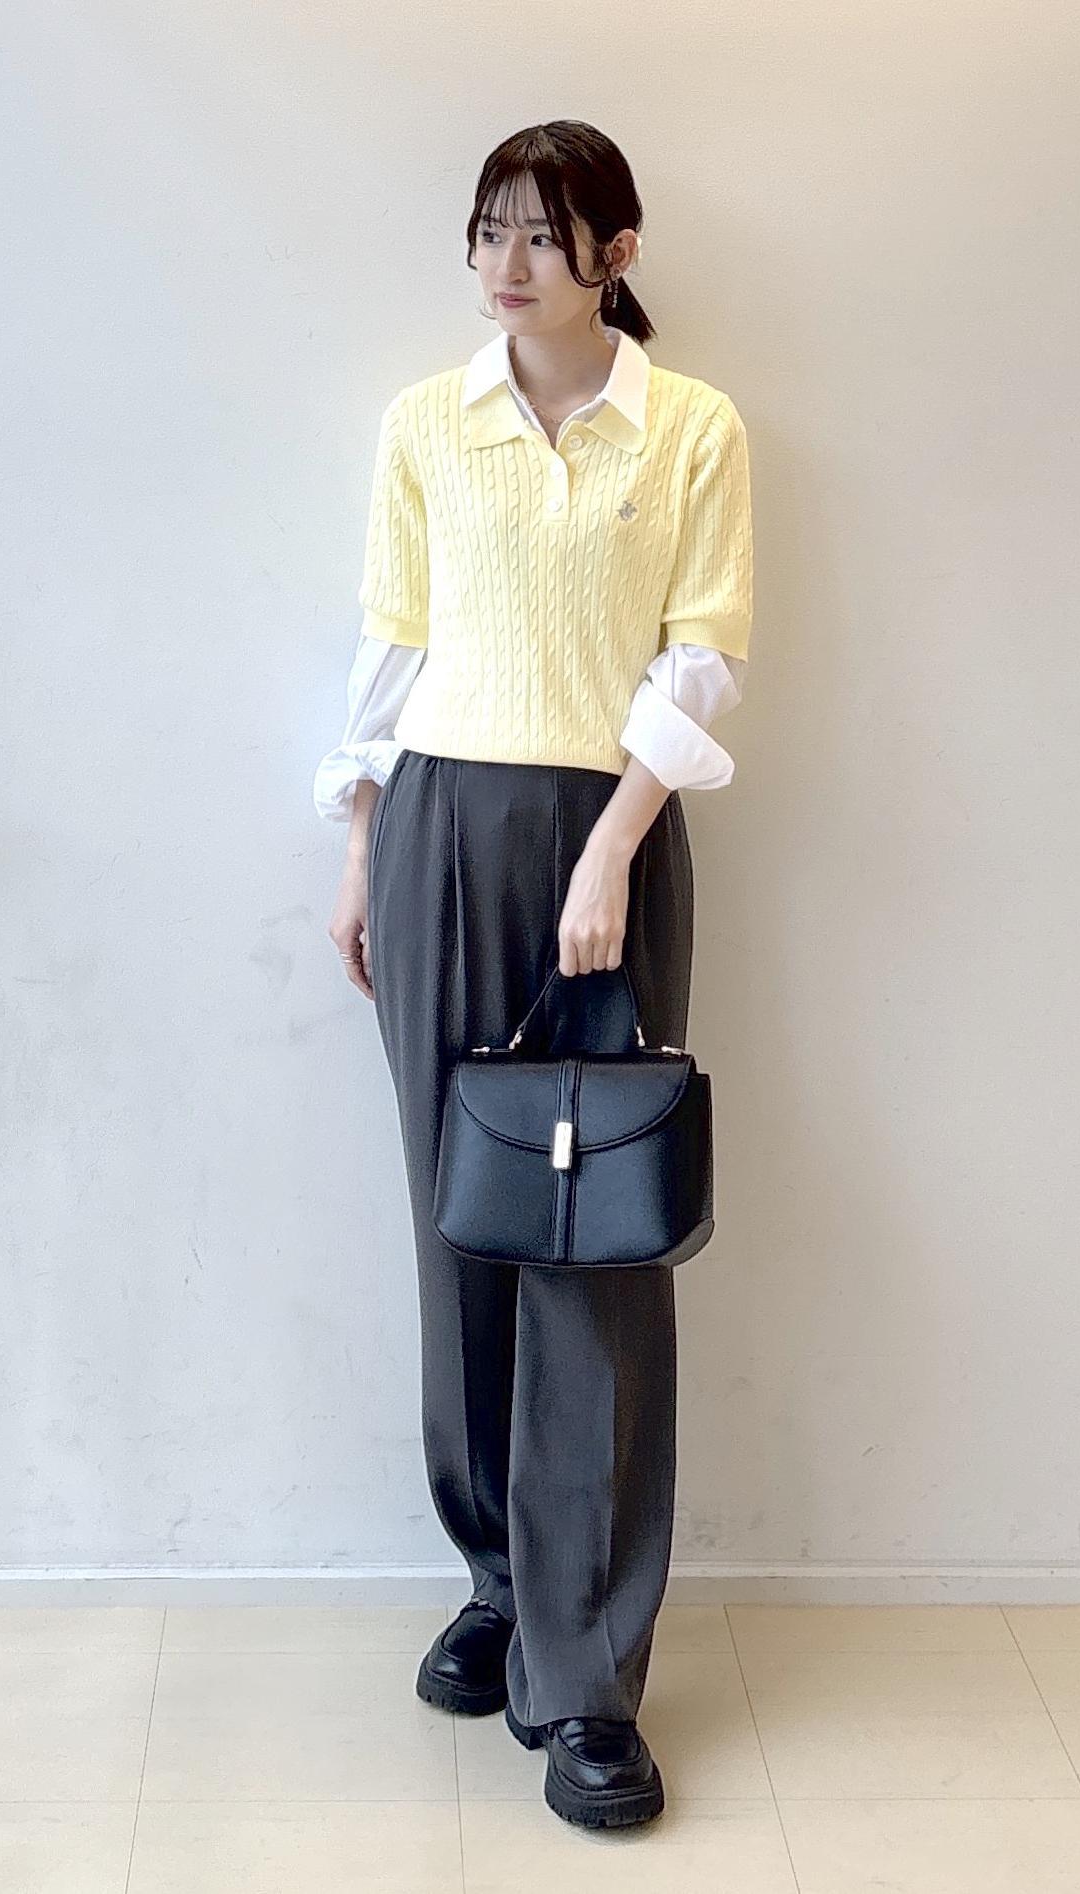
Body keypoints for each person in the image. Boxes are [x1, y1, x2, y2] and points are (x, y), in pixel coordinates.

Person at [314, 120, 753, 1830]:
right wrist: (364, 845)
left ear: (615, 253)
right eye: (488, 228)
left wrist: (612, 845)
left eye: (544, 234)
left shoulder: (692, 428)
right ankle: (500, 1575)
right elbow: (394, 644)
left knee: (595, 1242)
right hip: (438, 829)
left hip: (606, 840)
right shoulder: (427, 423)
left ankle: (588, 1676)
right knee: (461, 1221)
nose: (507, 263)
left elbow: (702, 657)